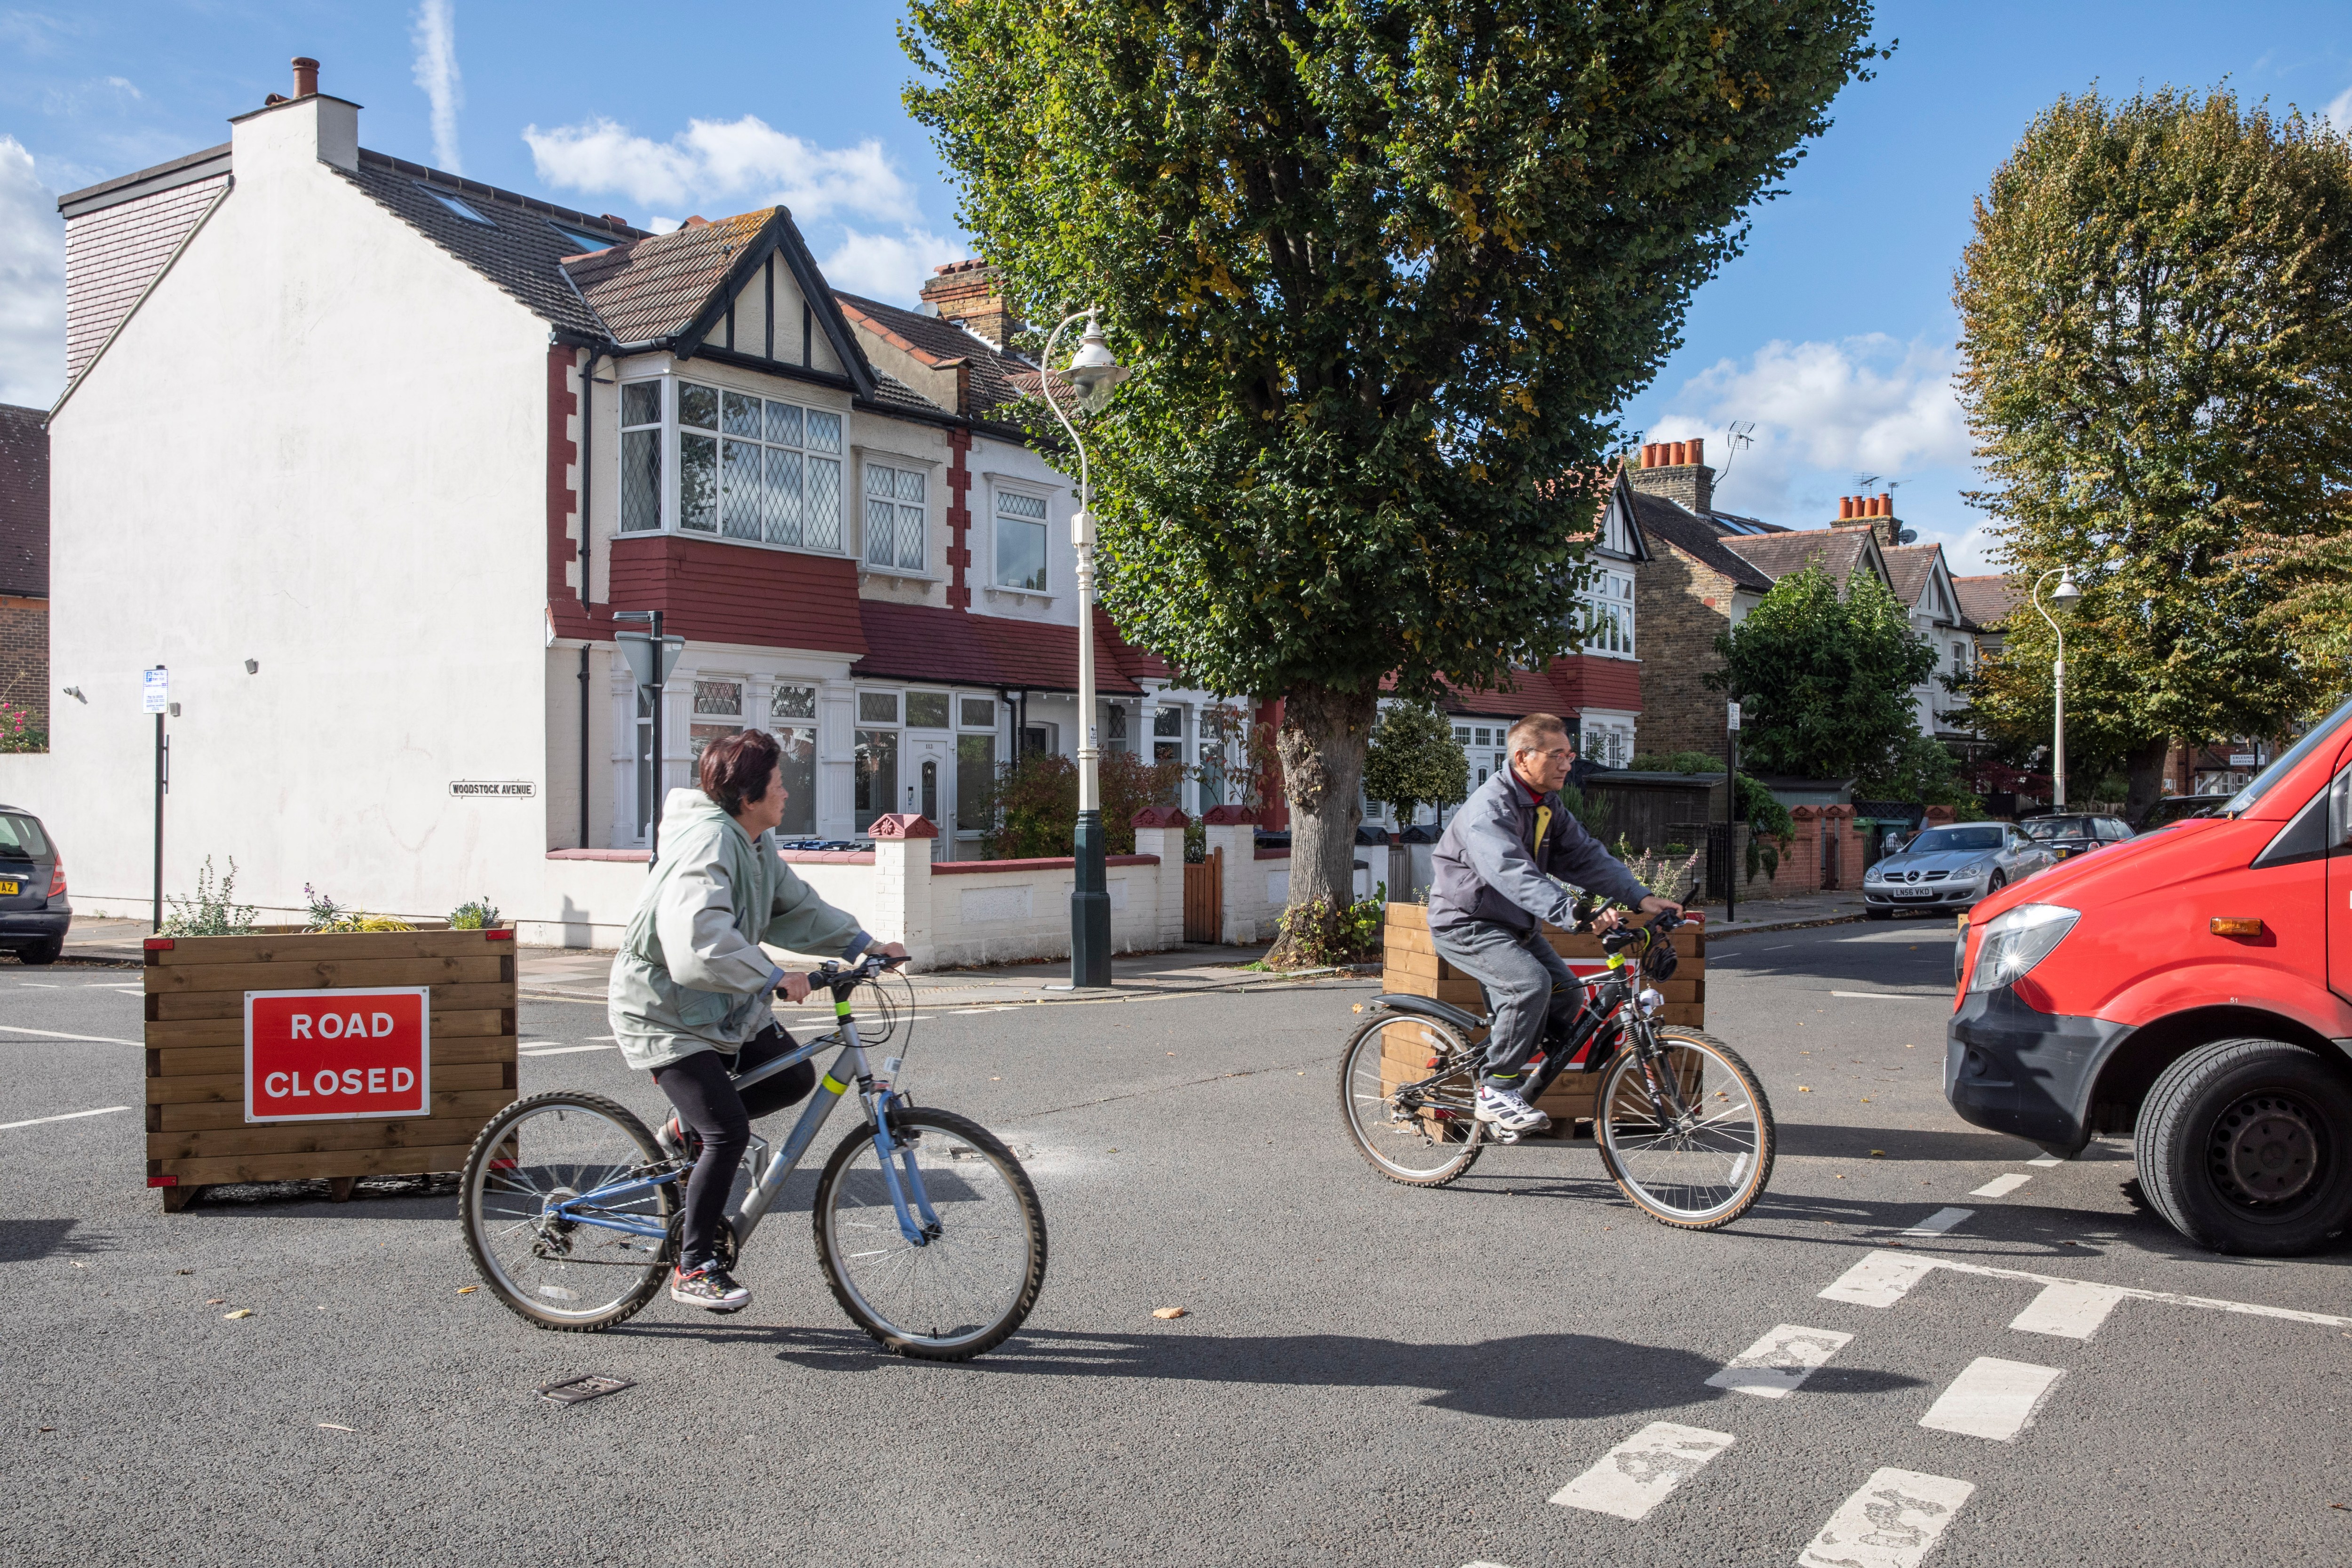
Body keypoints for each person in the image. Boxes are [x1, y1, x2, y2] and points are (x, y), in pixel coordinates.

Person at [609, 729, 906, 1312]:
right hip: (665, 1015)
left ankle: (680, 1133)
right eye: (777, 783)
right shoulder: (707, 845)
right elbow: (697, 937)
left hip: (723, 1010)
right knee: (727, 1134)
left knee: (791, 1078)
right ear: (748, 796)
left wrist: (863, 945)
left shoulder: (753, 840)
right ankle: (694, 1265)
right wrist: (772, 977)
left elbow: (793, 906)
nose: (786, 793)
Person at [1426, 714, 1681, 1134]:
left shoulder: (1545, 804)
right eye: (1558, 755)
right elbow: (1511, 873)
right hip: (1467, 923)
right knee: (1529, 985)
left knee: (1564, 999)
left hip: (1515, 926)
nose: (1567, 763)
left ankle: (1504, 1066)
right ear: (1524, 757)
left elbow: (1585, 856)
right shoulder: (1489, 810)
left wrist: (1642, 897)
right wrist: (1577, 912)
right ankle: (1495, 1089)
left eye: (1570, 754)